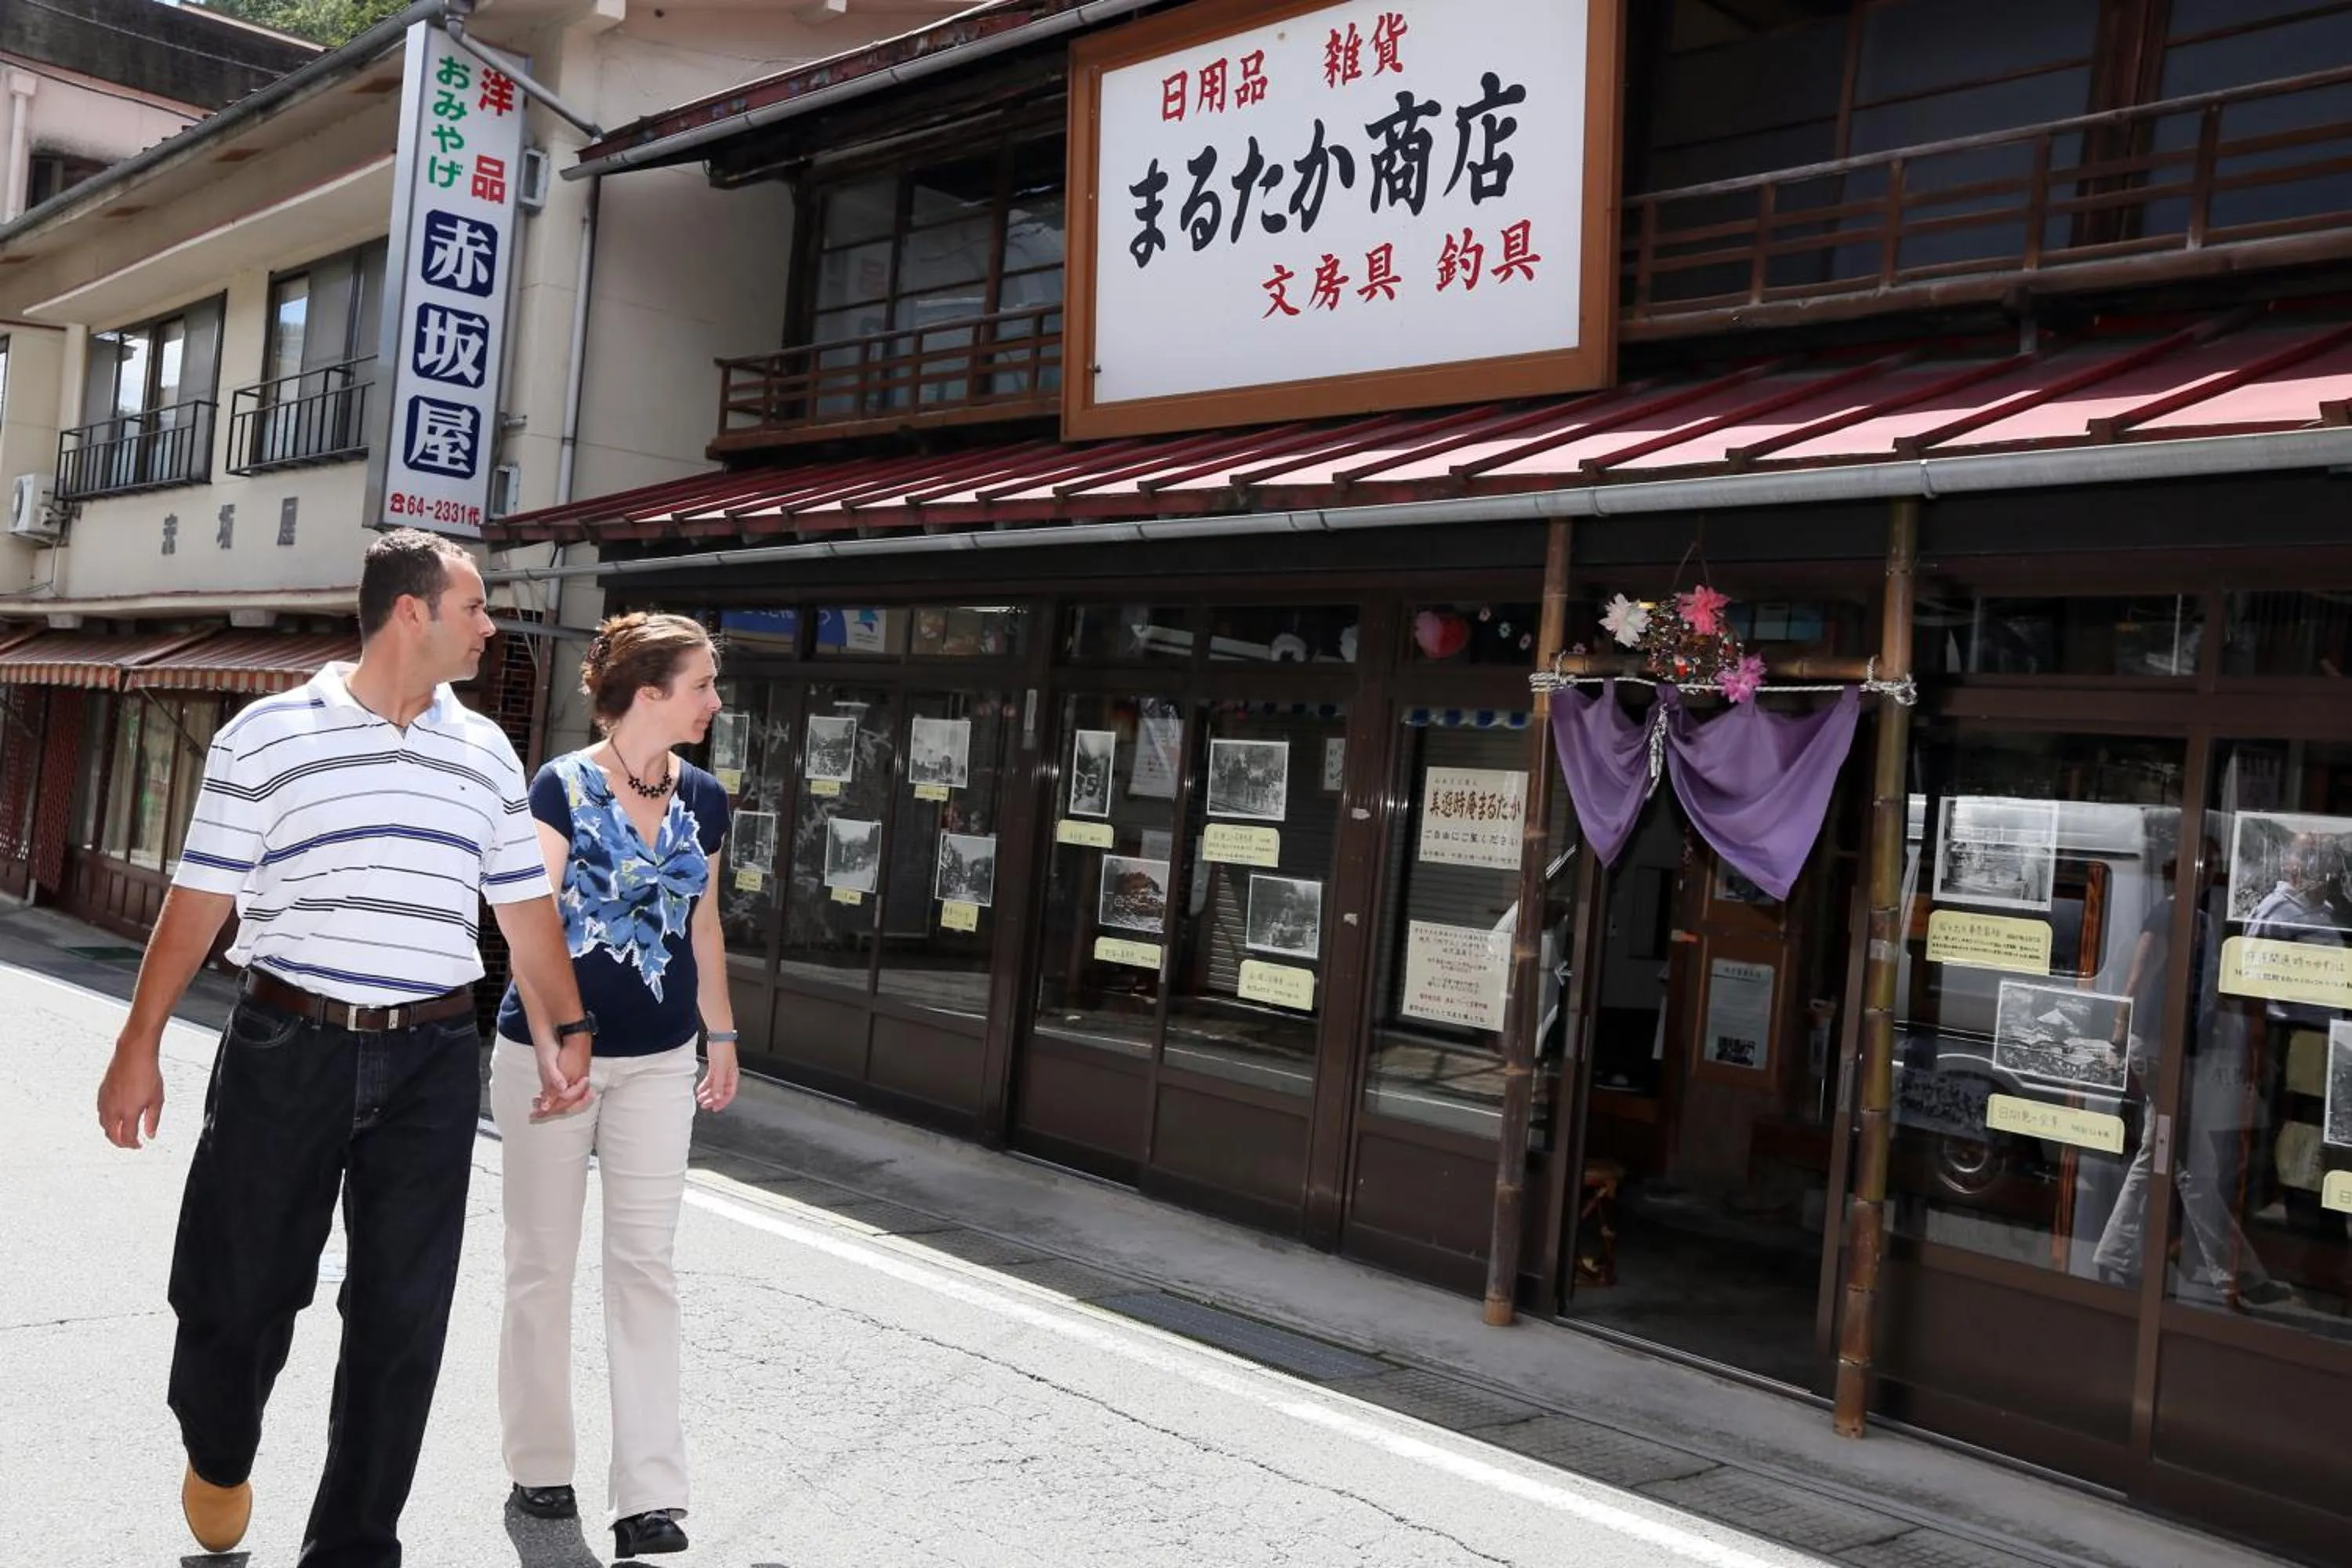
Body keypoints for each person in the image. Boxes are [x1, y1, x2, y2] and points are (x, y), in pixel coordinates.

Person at [93, 528, 595, 1566]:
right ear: (411, 612)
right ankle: (221, 1449)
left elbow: (525, 915)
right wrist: (138, 1042)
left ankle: (355, 1545)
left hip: (431, 1056)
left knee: (404, 1312)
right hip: (288, 1042)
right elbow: (199, 903)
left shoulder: (487, 751)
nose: (489, 625)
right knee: (239, 1291)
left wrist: (566, 1029)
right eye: (473, 605)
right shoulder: (268, 736)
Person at [492, 612, 737, 1560]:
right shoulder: (559, 785)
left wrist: (720, 1029)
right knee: (541, 1266)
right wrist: (561, 1035)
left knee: (645, 1267)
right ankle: (540, 1470)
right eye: (702, 684)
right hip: (551, 1059)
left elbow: (703, 924)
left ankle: (650, 1495)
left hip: (661, 1061)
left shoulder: (707, 798)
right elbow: (527, 924)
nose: (714, 701)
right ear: (649, 694)